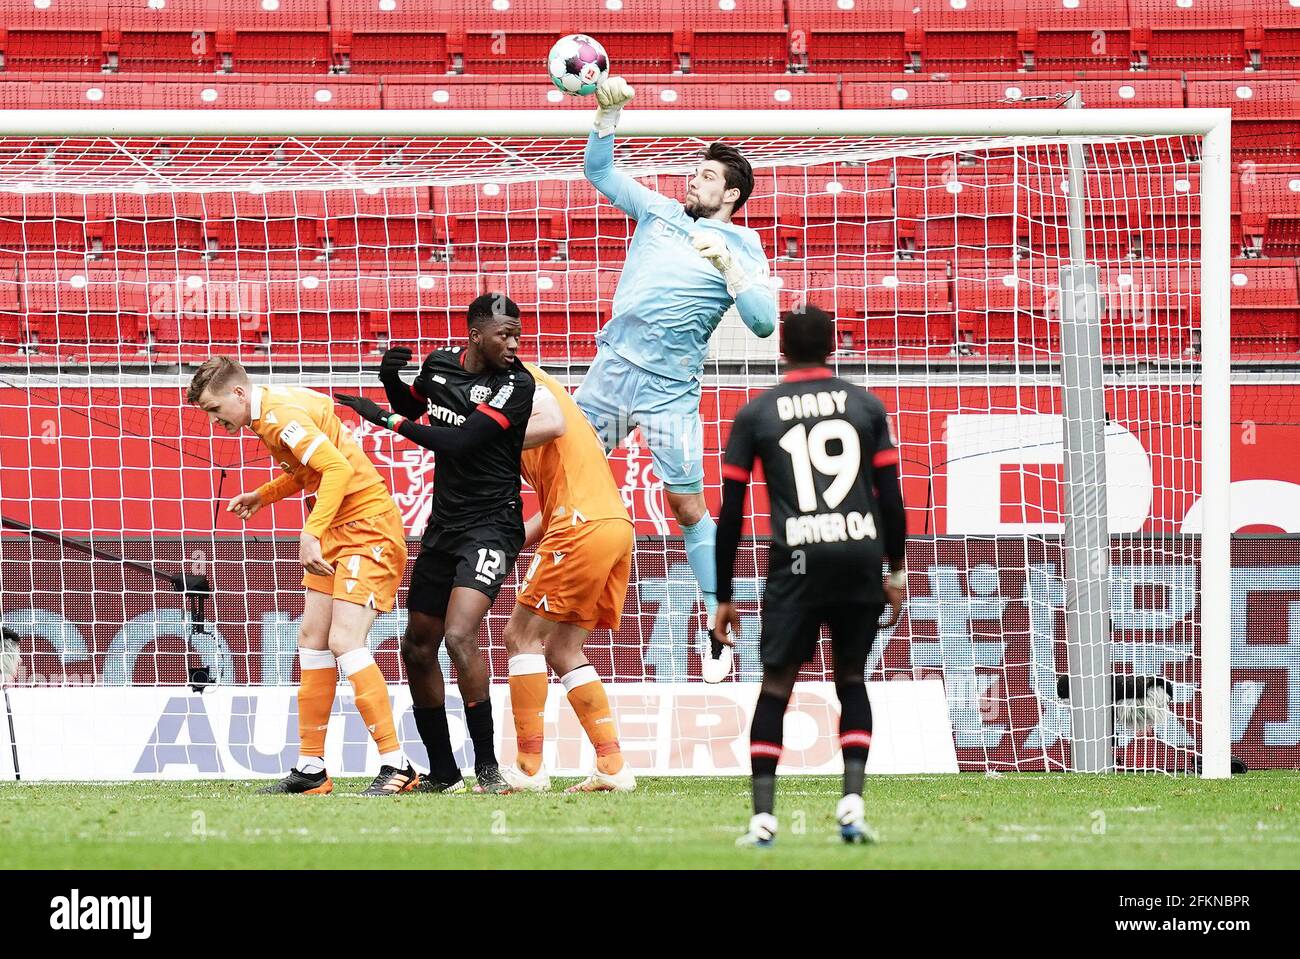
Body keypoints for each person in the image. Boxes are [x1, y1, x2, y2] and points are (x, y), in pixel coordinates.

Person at [577, 76, 778, 682]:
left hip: (669, 390)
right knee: (562, 472)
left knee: (687, 506)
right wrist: (607, 116)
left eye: (707, 177)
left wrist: (733, 274)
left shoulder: (744, 245)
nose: (692, 180)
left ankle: (718, 628)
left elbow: (765, 323)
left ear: (732, 195)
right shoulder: (661, 213)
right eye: (694, 172)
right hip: (613, 370)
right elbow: (600, 174)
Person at [713, 306, 907, 846]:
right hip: (858, 558)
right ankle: (851, 806)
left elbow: (731, 510)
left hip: (796, 563)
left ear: (782, 352)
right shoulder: (866, 406)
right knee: (851, 678)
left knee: (776, 686)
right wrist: (896, 568)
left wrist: (722, 594)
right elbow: (891, 497)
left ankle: (763, 821)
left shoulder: (757, 413)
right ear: (831, 348)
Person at [337, 293, 538, 795]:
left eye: (517, 334)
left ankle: (489, 771)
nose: (514, 344)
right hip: (445, 526)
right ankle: (444, 774)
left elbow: (458, 441)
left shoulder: (516, 383)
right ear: (475, 335)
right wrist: (391, 384)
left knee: (459, 635)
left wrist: (385, 420)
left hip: (494, 524)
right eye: (504, 335)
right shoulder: (442, 365)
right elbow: (419, 404)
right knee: (416, 646)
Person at [188, 356, 416, 796]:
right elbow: (310, 470)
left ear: (238, 393)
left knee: (344, 641)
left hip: (367, 530)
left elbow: (338, 469)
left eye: (215, 411)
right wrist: (264, 494)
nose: (215, 422)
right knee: (312, 640)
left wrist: (309, 534)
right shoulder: (268, 412)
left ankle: (397, 764)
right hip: (337, 528)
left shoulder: (279, 416)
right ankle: (311, 768)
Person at [500, 362, 637, 793]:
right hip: (614, 527)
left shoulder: (526, 387)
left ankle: (527, 768)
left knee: (520, 637)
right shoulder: (540, 412)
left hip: (579, 526)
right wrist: (509, 546)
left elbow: (548, 414)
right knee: (562, 648)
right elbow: (548, 507)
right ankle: (613, 766)